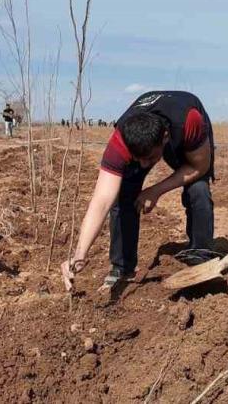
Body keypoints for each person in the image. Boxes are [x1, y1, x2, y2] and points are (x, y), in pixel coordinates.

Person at [60, 91, 217, 291]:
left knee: (198, 188)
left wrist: (156, 190)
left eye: (150, 158)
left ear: (164, 139)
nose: (144, 165)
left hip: (185, 131)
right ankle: (122, 267)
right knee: (122, 194)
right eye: (138, 158)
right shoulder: (121, 140)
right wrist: (80, 254)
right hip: (148, 141)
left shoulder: (190, 120)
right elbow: (101, 201)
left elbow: (199, 167)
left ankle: (200, 256)